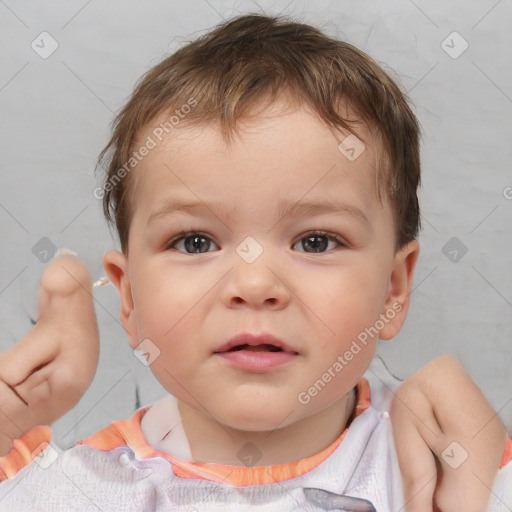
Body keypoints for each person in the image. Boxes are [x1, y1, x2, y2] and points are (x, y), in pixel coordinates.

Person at [0, 13, 509, 511]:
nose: (255, 283)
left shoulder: (441, 463)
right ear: (129, 298)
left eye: (316, 241)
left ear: (393, 291)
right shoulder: (78, 489)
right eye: (195, 242)